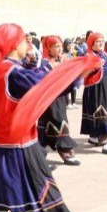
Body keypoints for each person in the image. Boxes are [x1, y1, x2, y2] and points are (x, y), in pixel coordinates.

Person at [0, 23, 98, 212]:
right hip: (19, 150)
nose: (28, 46)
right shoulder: (13, 74)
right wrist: (77, 72)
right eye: (24, 41)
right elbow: (47, 86)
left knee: (0, 201)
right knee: (32, 200)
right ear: (14, 45)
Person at [37, 36, 81, 166]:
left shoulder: (61, 60)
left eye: (60, 46)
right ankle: (65, 151)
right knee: (58, 121)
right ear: (48, 48)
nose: (59, 49)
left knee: (53, 122)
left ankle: (39, 154)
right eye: (56, 46)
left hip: (60, 97)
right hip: (50, 99)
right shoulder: (44, 63)